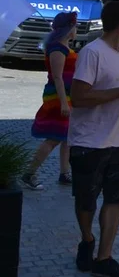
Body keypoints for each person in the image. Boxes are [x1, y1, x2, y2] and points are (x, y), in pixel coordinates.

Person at [68, 0, 119, 277]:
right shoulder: (92, 53)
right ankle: (87, 238)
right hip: (90, 140)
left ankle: (104, 257)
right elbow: (78, 98)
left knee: (116, 198)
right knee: (86, 200)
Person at [21, 11, 79, 190]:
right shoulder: (57, 49)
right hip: (58, 96)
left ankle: (64, 173)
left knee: (66, 138)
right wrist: (63, 102)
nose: (76, 29)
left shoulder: (61, 46)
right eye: (75, 26)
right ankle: (29, 173)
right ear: (69, 29)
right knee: (54, 138)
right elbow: (57, 77)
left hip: (65, 95)